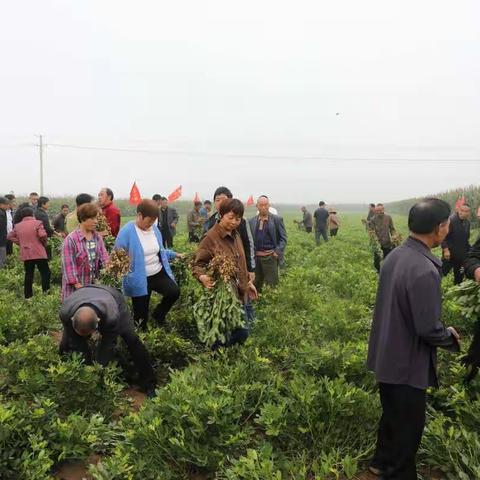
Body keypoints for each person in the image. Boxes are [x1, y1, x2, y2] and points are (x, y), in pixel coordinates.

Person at [367, 198, 460, 480]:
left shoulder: (395, 255)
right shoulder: (425, 268)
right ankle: (396, 473)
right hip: (407, 363)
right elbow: (427, 329)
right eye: (447, 224)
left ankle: (380, 461)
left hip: (387, 355)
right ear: (439, 228)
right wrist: (449, 336)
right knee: (409, 429)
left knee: (393, 415)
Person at [59, 285, 156, 396]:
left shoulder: (111, 316)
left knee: (131, 339)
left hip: (113, 298)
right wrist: (86, 368)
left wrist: (98, 371)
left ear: (98, 323)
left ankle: (149, 382)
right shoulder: (65, 313)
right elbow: (78, 344)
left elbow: (107, 346)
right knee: (66, 345)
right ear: (72, 320)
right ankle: (66, 374)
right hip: (82, 295)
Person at [193, 198, 258, 345]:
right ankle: (217, 357)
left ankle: (226, 355)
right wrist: (202, 277)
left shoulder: (236, 234)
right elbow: (198, 264)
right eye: (231, 218)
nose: (235, 222)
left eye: (238, 219)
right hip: (224, 295)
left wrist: (247, 283)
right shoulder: (210, 238)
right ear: (221, 215)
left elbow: (240, 263)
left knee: (240, 332)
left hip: (239, 292)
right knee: (233, 332)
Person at [115, 200, 181, 330]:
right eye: (149, 221)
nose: (151, 225)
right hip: (139, 278)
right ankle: (142, 334)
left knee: (174, 292)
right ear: (140, 215)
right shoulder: (127, 232)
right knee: (140, 319)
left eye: (153, 222)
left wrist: (175, 254)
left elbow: (160, 250)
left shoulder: (154, 230)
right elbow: (117, 256)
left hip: (157, 273)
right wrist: (124, 271)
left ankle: (158, 315)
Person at [205, 186, 256, 282]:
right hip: (219, 270)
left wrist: (251, 269)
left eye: (223, 200)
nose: (220, 203)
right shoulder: (211, 221)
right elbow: (206, 246)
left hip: (240, 267)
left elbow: (249, 245)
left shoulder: (241, 221)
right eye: (217, 200)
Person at [61, 203, 109, 301]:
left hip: (92, 288)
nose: (96, 222)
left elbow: (104, 259)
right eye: (92, 218)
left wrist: (110, 269)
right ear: (83, 219)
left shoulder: (97, 238)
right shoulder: (71, 240)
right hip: (75, 292)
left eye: (96, 218)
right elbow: (69, 269)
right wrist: (81, 289)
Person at [7, 207, 50, 298]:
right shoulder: (38, 223)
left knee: (29, 274)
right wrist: (44, 243)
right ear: (32, 214)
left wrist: (20, 242)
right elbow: (42, 235)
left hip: (26, 253)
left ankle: (28, 296)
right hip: (39, 253)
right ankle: (46, 293)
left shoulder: (18, 225)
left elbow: (10, 236)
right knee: (45, 272)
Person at [249, 195, 287, 291]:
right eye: (261, 205)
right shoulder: (252, 221)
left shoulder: (276, 220)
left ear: (269, 205)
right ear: (257, 206)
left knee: (272, 283)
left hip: (270, 256)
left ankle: (272, 303)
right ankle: (257, 302)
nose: (263, 207)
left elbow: (283, 238)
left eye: (266, 205)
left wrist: (277, 252)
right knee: (256, 283)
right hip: (256, 258)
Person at [441, 203, 471, 285]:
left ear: (469, 213)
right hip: (449, 254)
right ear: (458, 210)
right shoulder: (451, 221)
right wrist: (446, 249)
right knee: (441, 273)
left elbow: (466, 240)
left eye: (466, 211)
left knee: (459, 277)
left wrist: (471, 251)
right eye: (461, 210)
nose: (463, 213)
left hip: (461, 256)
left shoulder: (467, 223)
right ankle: (433, 288)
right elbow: (443, 236)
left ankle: (457, 291)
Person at [370, 204, 397, 273]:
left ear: (383, 209)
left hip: (387, 243)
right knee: (377, 261)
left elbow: (392, 229)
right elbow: (371, 232)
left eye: (380, 210)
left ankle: (387, 272)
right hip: (377, 244)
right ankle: (379, 272)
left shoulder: (388, 218)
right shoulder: (373, 220)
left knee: (387, 260)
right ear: (375, 211)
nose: (379, 212)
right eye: (377, 210)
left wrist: (394, 235)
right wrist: (374, 238)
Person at [0, 197, 9, 268]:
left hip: (2, 239)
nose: (8, 206)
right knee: (2, 261)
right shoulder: (1, 214)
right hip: (1, 241)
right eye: (6, 204)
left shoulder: (3, 212)